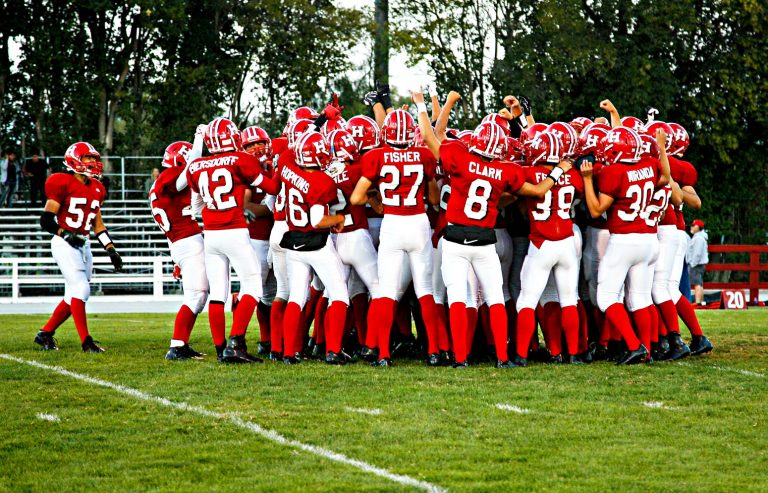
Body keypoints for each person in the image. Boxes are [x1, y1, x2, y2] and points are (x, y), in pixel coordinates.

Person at [187, 117, 278, 363]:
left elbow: (196, 206)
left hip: (211, 234)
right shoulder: (241, 159)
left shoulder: (196, 166)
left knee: (218, 292)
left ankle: (220, 348)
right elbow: (272, 188)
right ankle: (235, 343)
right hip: (235, 230)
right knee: (254, 287)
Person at [34, 142, 123, 352]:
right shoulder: (61, 181)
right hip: (64, 241)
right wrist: (65, 234)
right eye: (88, 158)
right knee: (81, 289)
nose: (93, 162)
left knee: (73, 295)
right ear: (75, 160)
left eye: (94, 158)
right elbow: (46, 220)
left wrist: (111, 249)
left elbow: (98, 225)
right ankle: (86, 342)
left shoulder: (97, 187)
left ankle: (45, 334)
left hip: (83, 242)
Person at [149, 130, 209, 361]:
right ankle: (177, 345)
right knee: (196, 295)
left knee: (200, 296)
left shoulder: (160, 185)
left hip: (181, 242)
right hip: (188, 241)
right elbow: (187, 173)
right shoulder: (171, 176)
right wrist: (199, 138)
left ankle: (181, 344)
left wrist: (177, 260)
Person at [687, 219, 709, 304]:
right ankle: (700, 302)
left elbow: (697, 253)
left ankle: (697, 302)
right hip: (699, 264)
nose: (691, 227)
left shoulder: (698, 238)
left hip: (696, 264)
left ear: (699, 227)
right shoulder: (700, 237)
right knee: (699, 283)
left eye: (693, 225)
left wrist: (693, 263)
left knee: (697, 284)